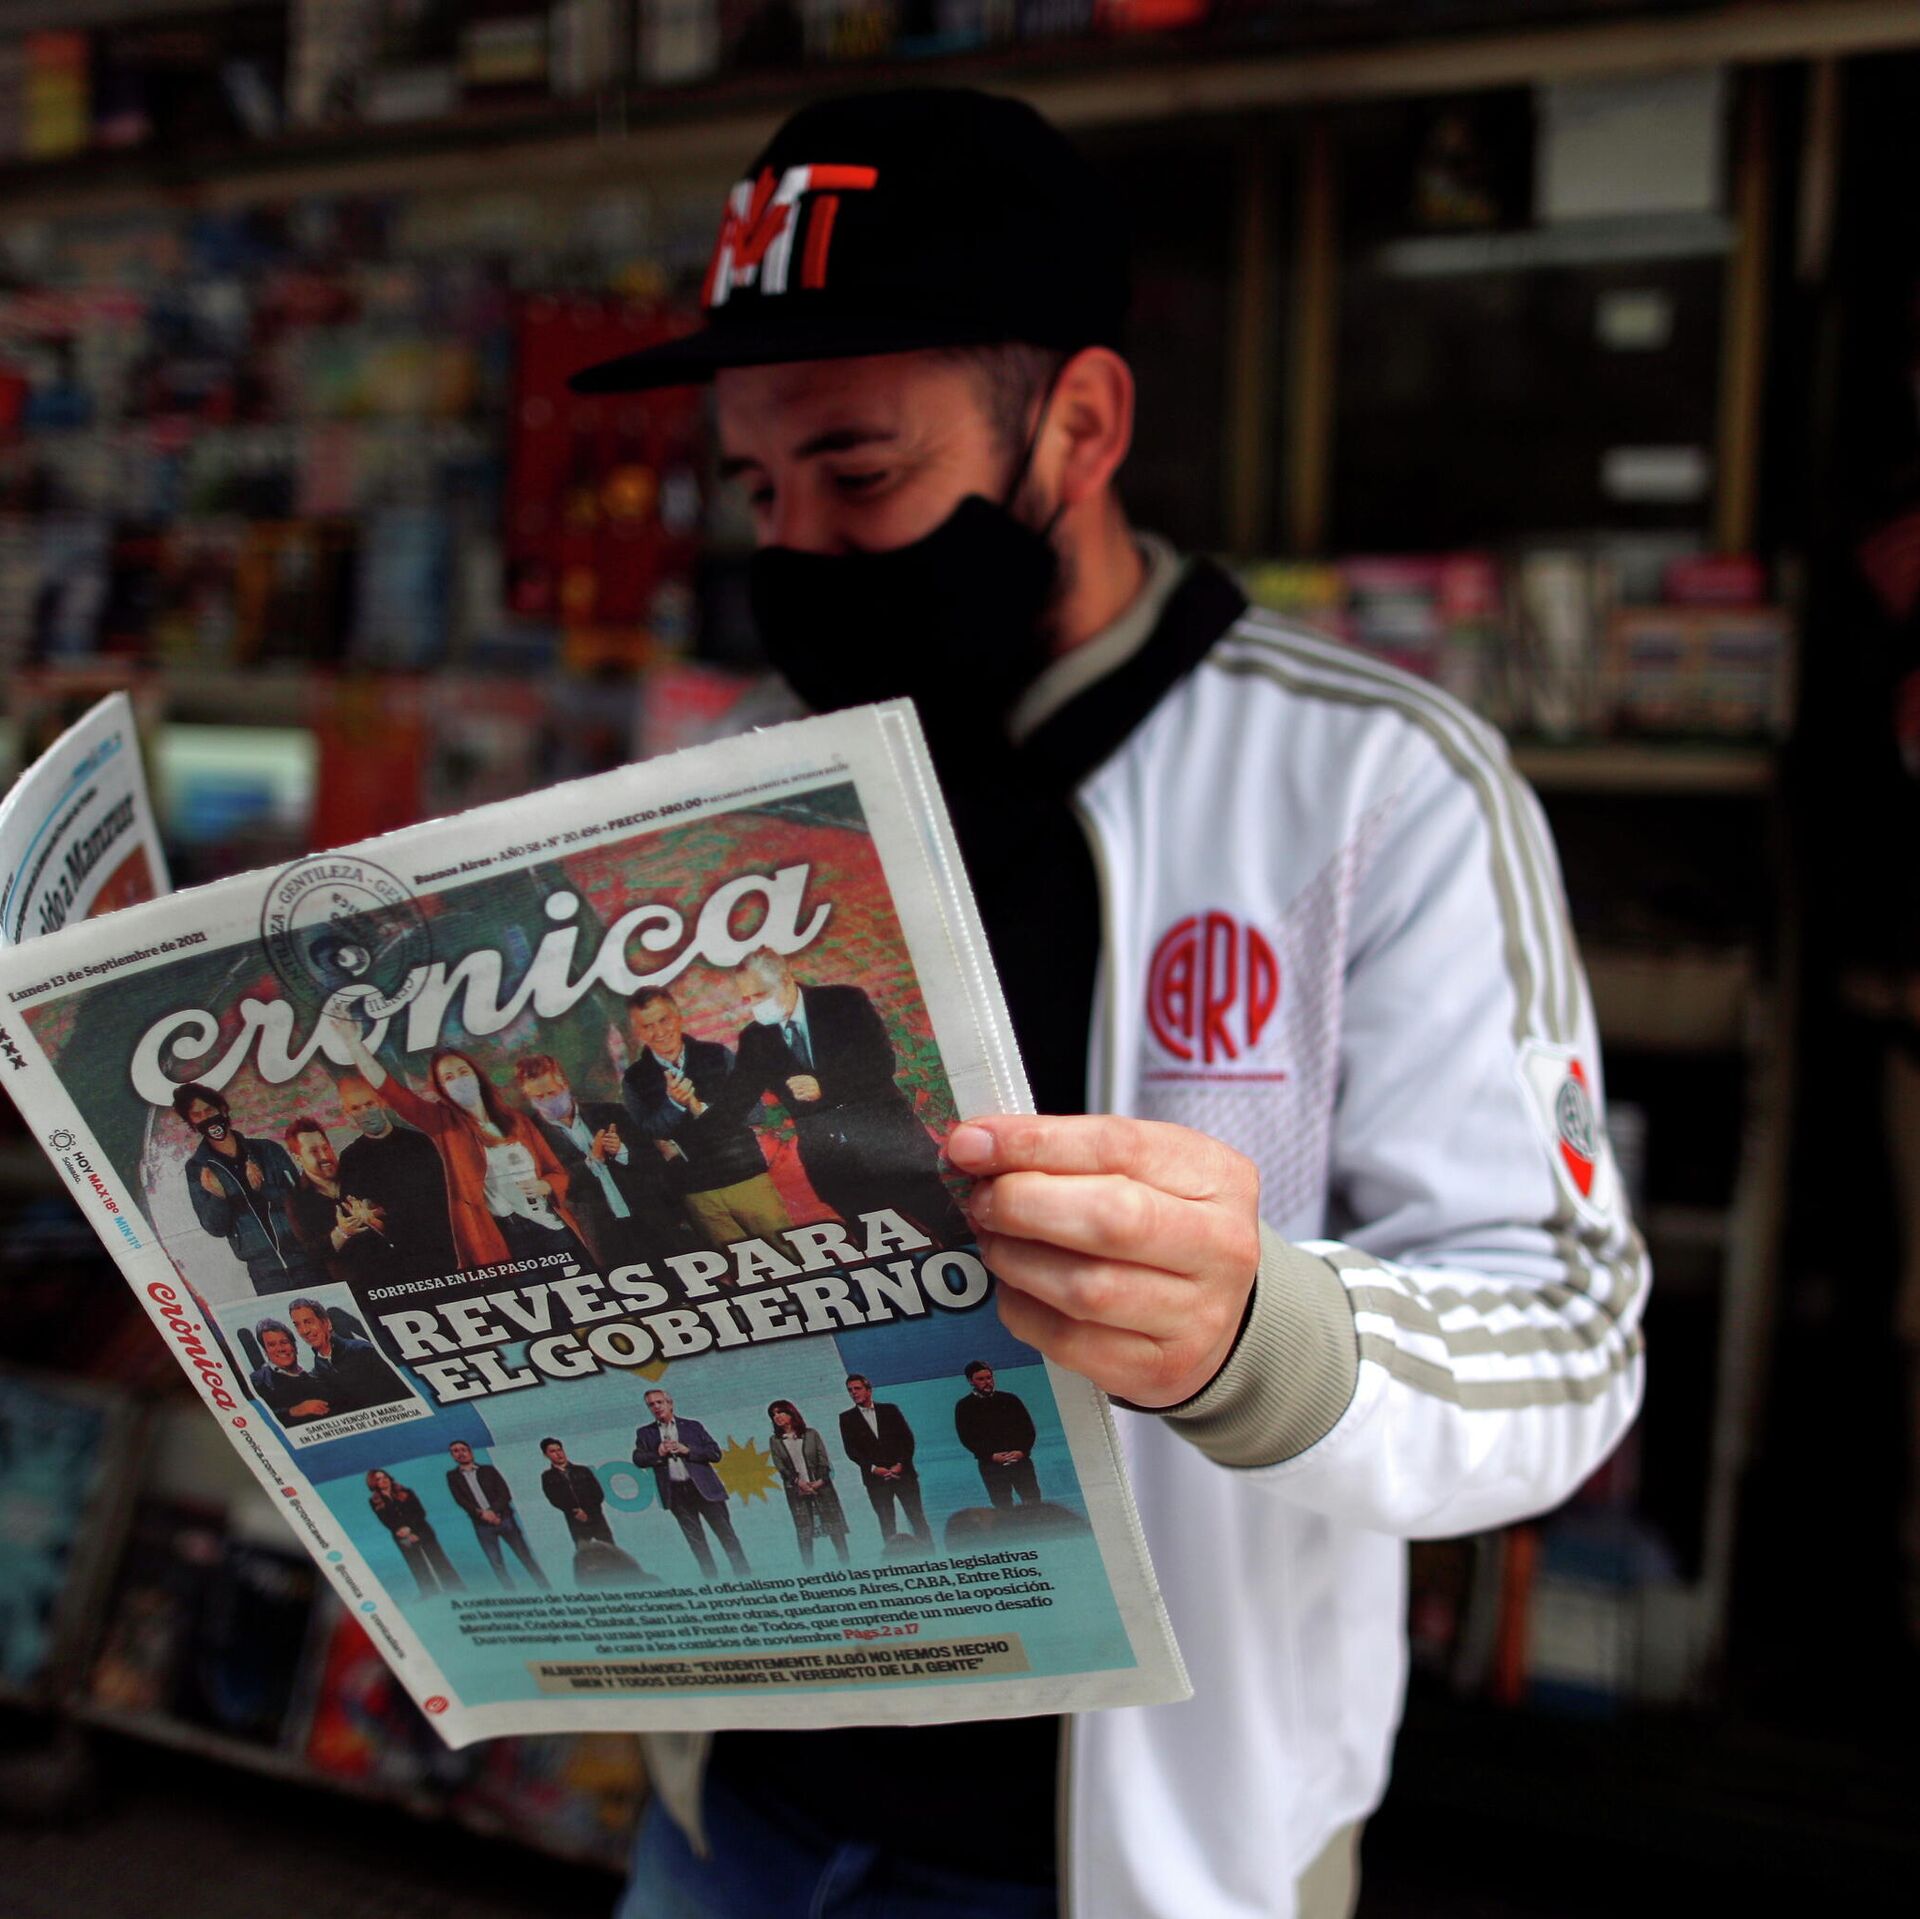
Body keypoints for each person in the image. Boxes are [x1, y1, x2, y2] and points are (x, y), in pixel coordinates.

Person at [575, 87, 1649, 1919]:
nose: (800, 545)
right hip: (734, 1813)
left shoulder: (1379, 785)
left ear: (1078, 423)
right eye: (757, 490)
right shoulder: (729, 792)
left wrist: (1258, 1331)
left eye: (859, 472)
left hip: (1150, 1862)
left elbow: (1568, 1340)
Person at [720, 950, 970, 1246]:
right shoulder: (754, 1038)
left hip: (891, 1148)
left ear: (786, 979)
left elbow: (880, 1062)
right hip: (835, 1168)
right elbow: (737, 1098)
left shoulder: (843, 1002)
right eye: (747, 998)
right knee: (884, 1252)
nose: (755, 1005)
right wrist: (692, 1120)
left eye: (760, 994)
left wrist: (824, 1086)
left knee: (951, 1231)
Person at [326, 1024, 593, 1275]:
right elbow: (391, 1091)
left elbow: (556, 1172)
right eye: (449, 1077)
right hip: (502, 1235)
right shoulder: (444, 1124)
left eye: (463, 1072)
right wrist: (353, 1043)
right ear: (442, 1088)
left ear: (476, 1075)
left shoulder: (516, 1121)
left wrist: (545, 1185)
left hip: (549, 1226)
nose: (458, 1081)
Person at [620, 987, 792, 1251]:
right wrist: (674, 1105)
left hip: (746, 1179)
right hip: (697, 1194)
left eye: (664, 1020)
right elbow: (646, 1135)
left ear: (678, 1016)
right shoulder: (634, 1079)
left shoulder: (716, 1055)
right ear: (637, 1032)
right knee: (742, 1268)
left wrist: (699, 1107)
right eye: (648, 1026)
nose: (659, 1031)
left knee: (791, 1254)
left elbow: (756, 1111)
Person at [513, 1053, 688, 1268]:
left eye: (552, 1092)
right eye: (539, 1097)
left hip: (652, 1220)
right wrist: (592, 1161)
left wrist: (621, 1151)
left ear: (565, 1085)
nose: (548, 1101)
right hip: (600, 1234)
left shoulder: (612, 1112)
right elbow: (553, 1187)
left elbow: (654, 1161)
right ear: (528, 1096)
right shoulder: (530, 1138)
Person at [173, 1082, 324, 1295]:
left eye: (209, 1110)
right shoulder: (198, 1168)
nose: (206, 1118)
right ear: (192, 1123)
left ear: (222, 1109)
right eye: (197, 1115)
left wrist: (264, 1189)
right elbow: (214, 1227)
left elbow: (304, 1202)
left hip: (306, 1259)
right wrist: (219, 1198)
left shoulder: (268, 1150)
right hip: (264, 1274)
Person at [334, 1072, 459, 1284]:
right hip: (398, 1262)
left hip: (443, 1248)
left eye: (369, 1104)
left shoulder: (420, 1142)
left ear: (381, 1101)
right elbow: (361, 1214)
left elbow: (444, 1197)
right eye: (355, 1108)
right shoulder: (350, 1158)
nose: (365, 1112)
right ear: (347, 1112)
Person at [632, 1389, 751, 1580]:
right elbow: (638, 1459)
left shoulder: (692, 1426)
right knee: (696, 1542)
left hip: (705, 1490)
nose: (656, 1407)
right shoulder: (645, 1433)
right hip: (676, 1493)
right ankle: (711, 1581)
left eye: (659, 1402)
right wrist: (658, 1454)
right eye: (651, 1404)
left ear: (670, 1403)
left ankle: (745, 1577)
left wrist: (687, 1450)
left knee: (727, 1535)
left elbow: (715, 1453)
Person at [283, 1117, 392, 1284]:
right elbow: (310, 1254)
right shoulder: (296, 1201)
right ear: (298, 1158)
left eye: (325, 1148)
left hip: (395, 1271)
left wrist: (374, 1221)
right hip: (355, 1287)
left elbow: (400, 1222)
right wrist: (342, 1233)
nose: (324, 1155)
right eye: (314, 1151)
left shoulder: (358, 1175)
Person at [837, 1372, 932, 1549]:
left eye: (857, 1388)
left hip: (903, 1475)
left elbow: (907, 1440)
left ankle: (932, 1555)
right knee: (887, 1523)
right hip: (876, 1480)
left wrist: (900, 1464)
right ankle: (895, 1560)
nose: (853, 1393)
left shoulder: (890, 1410)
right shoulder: (846, 1418)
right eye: (850, 1390)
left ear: (868, 1390)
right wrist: (873, 1468)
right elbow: (852, 1450)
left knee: (917, 1518)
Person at [444, 1440, 549, 1590]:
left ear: (470, 1452)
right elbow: (461, 1500)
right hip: (482, 1525)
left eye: (463, 1449)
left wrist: (492, 1512)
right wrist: (482, 1514)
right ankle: (511, 1594)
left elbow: (504, 1494)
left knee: (525, 1556)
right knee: (496, 1563)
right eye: (455, 1451)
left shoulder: (488, 1470)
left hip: (504, 1519)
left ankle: (545, 1588)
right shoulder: (452, 1476)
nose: (460, 1453)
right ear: (452, 1456)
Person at [288, 1296, 411, 1416]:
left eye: (308, 1322)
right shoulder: (318, 1369)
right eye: (297, 1325)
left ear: (327, 1323)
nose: (304, 1331)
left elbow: (403, 1390)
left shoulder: (363, 1350)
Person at [766, 1400, 849, 1568]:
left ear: (791, 1413)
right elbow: (780, 1467)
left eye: (780, 1412)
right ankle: (809, 1572)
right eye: (773, 1415)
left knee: (835, 1529)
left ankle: (847, 1565)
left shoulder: (811, 1434)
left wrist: (819, 1482)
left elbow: (823, 1461)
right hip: (796, 1491)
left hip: (822, 1488)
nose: (777, 1417)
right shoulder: (775, 1440)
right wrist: (799, 1483)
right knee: (804, 1531)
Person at [952, 1361, 1041, 1509]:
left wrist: (1022, 1451)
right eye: (981, 1379)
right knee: (1003, 1508)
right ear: (970, 1381)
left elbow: (1028, 1429)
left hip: (1020, 1462)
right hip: (991, 1466)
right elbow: (967, 1438)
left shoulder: (1010, 1399)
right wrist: (990, 1456)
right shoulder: (965, 1406)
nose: (987, 1382)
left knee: (1034, 1504)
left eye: (989, 1377)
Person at [365, 1468, 463, 1598]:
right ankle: (429, 1593)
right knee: (416, 1564)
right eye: (378, 1479)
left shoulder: (406, 1492)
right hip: (401, 1536)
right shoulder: (374, 1501)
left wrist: (410, 1528)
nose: (383, 1480)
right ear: (373, 1483)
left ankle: (456, 1588)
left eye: (385, 1477)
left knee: (438, 1559)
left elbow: (420, 1512)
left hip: (422, 1530)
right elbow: (386, 1520)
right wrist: (402, 1531)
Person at [247, 1318, 330, 1427]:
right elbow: (253, 1418)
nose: (280, 1349)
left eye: (284, 1342)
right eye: (272, 1345)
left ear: (294, 1346)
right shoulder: (257, 1381)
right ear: (265, 1351)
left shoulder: (316, 1377)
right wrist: (293, 1411)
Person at [538, 1436, 615, 1548]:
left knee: (611, 1551)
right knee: (585, 1554)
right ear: (546, 1455)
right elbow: (554, 1499)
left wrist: (587, 1512)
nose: (558, 1454)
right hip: (576, 1522)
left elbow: (598, 1494)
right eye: (553, 1451)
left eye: (560, 1450)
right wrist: (575, 1511)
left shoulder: (583, 1470)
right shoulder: (548, 1477)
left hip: (596, 1518)